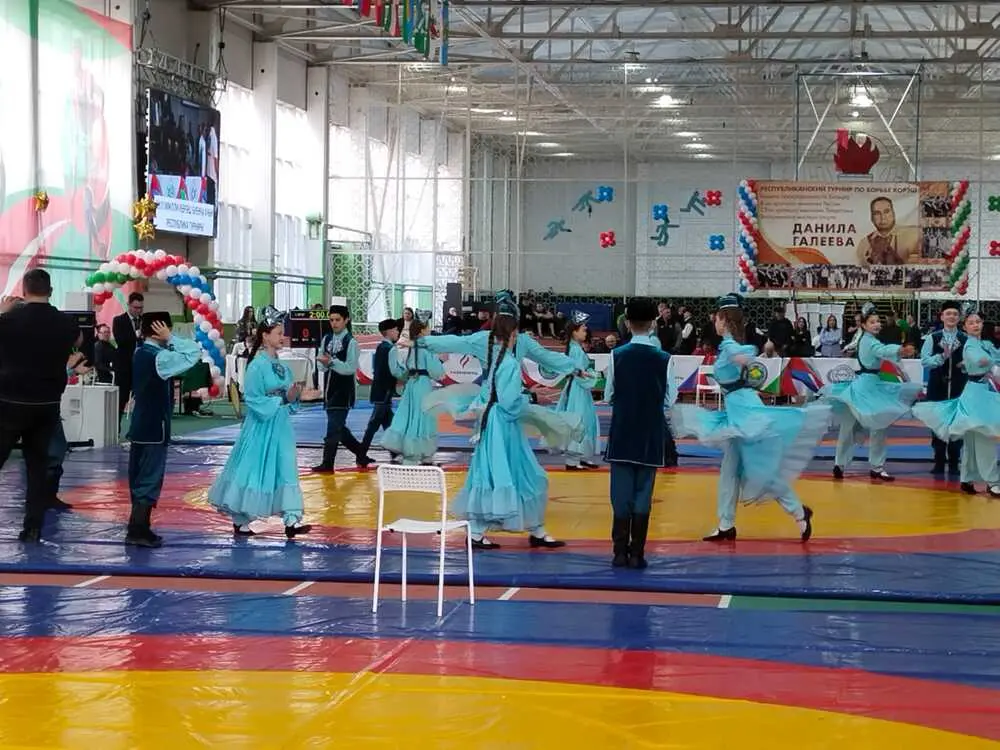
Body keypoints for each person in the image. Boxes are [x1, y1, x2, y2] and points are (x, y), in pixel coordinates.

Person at [422, 293, 579, 550]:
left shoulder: (493, 346)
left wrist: (420, 341)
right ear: (514, 328)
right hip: (501, 414)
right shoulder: (506, 355)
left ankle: (527, 529)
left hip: (495, 413)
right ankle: (503, 530)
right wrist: (570, 370)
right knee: (509, 471)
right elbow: (538, 366)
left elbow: (455, 341)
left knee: (501, 470)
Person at [672, 293, 827, 543]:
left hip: (745, 413)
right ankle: (726, 524)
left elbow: (742, 354)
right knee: (730, 471)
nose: (714, 321)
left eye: (716, 317)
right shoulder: (729, 344)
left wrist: (747, 354)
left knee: (759, 469)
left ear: (723, 319)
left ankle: (798, 512)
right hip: (737, 411)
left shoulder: (730, 345)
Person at [208, 307, 312, 536]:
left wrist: (295, 396)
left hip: (281, 425)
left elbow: (288, 397)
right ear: (265, 336)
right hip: (261, 426)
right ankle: (241, 518)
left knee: (286, 467)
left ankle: (291, 519)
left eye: (283, 333)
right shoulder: (256, 366)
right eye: (278, 333)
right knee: (254, 469)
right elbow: (253, 398)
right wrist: (283, 398)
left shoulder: (282, 366)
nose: (283, 337)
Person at [0, 272, 79, 542]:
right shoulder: (65, 322)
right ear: (51, 290)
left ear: (24, 290)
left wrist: (3, 312)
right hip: (46, 403)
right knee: (37, 467)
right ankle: (32, 527)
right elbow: (79, 342)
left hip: (10, 401)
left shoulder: (9, 320)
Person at [603, 299, 671, 568]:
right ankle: (637, 554)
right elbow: (670, 399)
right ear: (653, 324)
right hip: (650, 433)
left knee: (620, 493)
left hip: (622, 431)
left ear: (628, 324)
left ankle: (619, 552)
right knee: (644, 493)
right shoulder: (664, 359)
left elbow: (609, 395)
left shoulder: (616, 355)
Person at [126, 312, 202, 547]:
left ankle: (137, 526)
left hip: (141, 424)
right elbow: (193, 353)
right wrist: (171, 338)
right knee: (149, 477)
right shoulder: (159, 358)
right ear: (160, 329)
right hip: (154, 426)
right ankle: (139, 529)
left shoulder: (141, 352)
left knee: (139, 476)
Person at [824, 302, 921, 482]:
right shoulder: (869, 341)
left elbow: (881, 350)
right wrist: (900, 350)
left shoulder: (866, 339)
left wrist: (898, 352)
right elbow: (882, 350)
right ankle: (873, 466)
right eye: (872, 322)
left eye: (878, 321)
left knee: (851, 427)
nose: (877, 324)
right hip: (867, 387)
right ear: (864, 325)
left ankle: (842, 464)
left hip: (866, 385)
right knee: (876, 426)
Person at [913, 305, 1000, 497]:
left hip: (970, 389)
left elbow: (987, 359)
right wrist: (989, 365)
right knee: (981, 436)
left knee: (971, 437)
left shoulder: (978, 343)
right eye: (971, 322)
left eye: (978, 322)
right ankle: (991, 481)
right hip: (958, 389)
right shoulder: (959, 342)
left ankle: (966, 477)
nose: (975, 325)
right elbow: (980, 360)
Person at [312, 304, 371, 472]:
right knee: (339, 429)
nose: (334, 323)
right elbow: (321, 366)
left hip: (344, 391)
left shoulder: (351, 342)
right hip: (329, 390)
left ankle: (327, 463)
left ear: (346, 320)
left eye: (337, 320)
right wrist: (324, 363)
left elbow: (350, 368)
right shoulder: (326, 339)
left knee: (333, 428)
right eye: (331, 320)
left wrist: (331, 362)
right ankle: (361, 453)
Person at [381, 313, 445, 465]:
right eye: (428, 328)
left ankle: (410, 451)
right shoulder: (426, 349)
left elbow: (402, 371)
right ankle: (424, 453)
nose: (429, 330)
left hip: (411, 385)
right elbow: (437, 372)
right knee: (423, 417)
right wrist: (440, 363)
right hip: (423, 385)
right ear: (422, 331)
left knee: (410, 416)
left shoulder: (411, 349)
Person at [920, 301, 966, 476]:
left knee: (957, 424)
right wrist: (941, 356)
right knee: (937, 424)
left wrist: (965, 364)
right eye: (948, 313)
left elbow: (971, 361)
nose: (951, 316)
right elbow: (925, 361)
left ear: (959, 318)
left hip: (959, 386)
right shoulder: (933, 338)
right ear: (942, 317)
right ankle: (939, 461)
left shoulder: (965, 339)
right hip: (937, 385)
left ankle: (954, 462)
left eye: (955, 314)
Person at [557, 310, 601, 471]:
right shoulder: (575, 350)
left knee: (583, 420)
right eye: (583, 329)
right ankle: (573, 459)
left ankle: (581, 456)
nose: (586, 332)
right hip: (578, 389)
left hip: (578, 389)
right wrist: (594, 376)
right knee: (579, 420)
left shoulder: (574, 348)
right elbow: (578, 373)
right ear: (574, 332)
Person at [358, 318, 401, 460]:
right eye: (396, 330)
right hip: (385, 392)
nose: (398, 332)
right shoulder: (391, 349)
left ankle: (395, 453)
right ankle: (361, 454)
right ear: (389, 331)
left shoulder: (380, 347)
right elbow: (395, 370)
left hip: (379, 390)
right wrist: (408, 374)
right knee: (374, 424)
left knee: (389, 424)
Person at [112, 291, 144, 427]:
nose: (138, 311)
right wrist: (136, 336)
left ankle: (139, 429)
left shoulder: (144, 321)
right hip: (124, 366)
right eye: (135, 307)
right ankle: (116, 429)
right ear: (128, 305)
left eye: (141, 308)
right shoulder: (119, 320)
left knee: (143, 399)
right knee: (121, 399)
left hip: (141, 366)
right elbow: (121, 340)